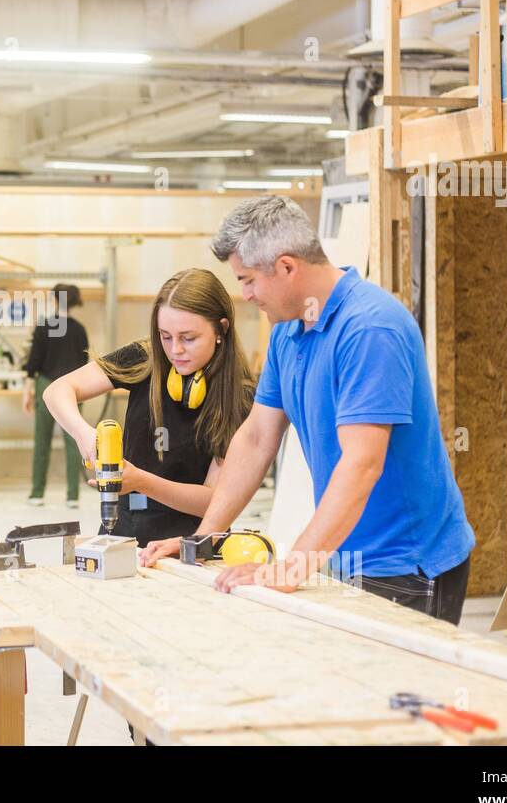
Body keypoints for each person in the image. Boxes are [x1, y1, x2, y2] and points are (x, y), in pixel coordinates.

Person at [140, 196, 476, 624]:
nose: (244, 295)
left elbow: (362, 463)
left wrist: (293, 566)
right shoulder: (289, 332)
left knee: (403, 691)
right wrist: (202, 540)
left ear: (285, 267)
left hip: (406, 565)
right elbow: (258, 438)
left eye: (247, 280)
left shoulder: (370, 328)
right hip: (342, 552)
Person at [43, 269, 255, 544]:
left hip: (191, 542)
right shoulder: (145, 358)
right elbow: (57, 391)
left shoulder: (239, 396)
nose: (175, 349)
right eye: (165, 336)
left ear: (221, 329)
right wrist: (84, 433)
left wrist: (142, 482)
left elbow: (215, 501)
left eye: (188, 338)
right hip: (124, 530)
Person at [22, 283, 90, 508]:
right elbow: (84, 365)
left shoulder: (44, 326)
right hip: (73, 388)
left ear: (54, 300)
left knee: (42, 440)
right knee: (75, 442)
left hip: (47, 386)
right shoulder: (80, 330)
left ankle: (37, 493)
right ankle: (73, 496)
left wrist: (27, 391)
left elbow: (33, 362)